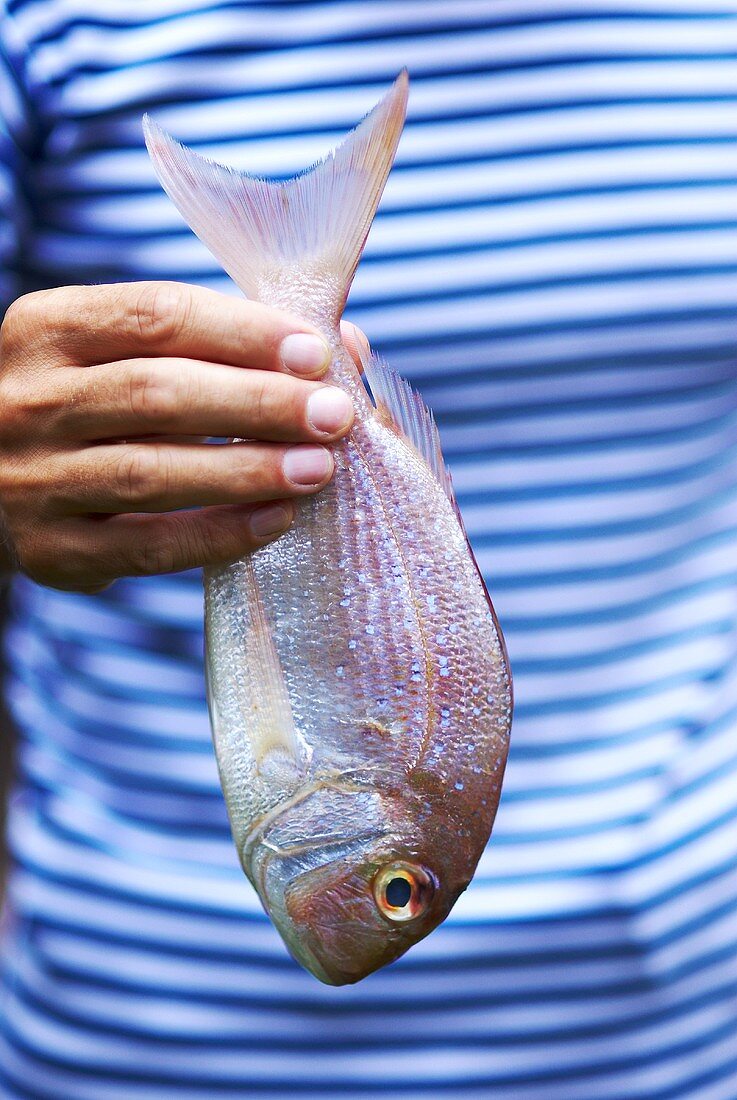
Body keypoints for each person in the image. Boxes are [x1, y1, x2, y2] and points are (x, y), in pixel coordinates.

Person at [2, 1, 737, 1097]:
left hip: (674, 1036)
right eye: (390, 893)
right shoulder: (49, 22)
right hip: (132, 1038)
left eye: (398, 894)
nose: (376, 909)